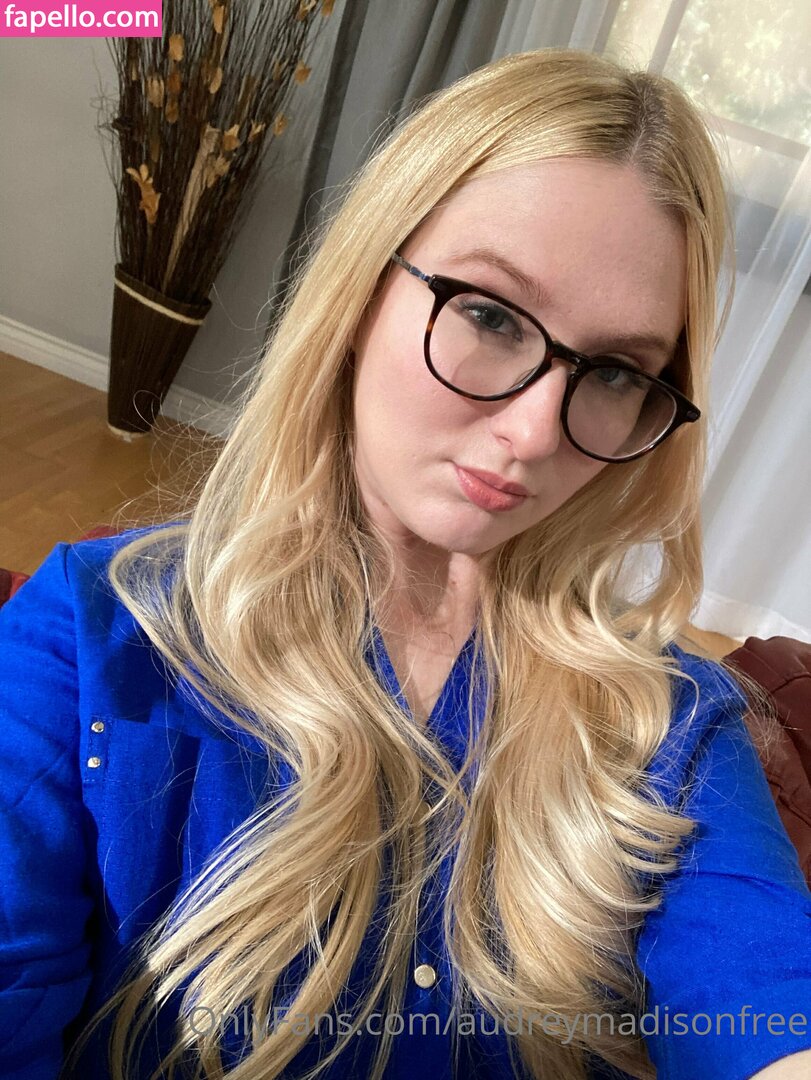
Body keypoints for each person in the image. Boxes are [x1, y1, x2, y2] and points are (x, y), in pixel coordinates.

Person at [0, 47, 809, 1080]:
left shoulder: (666, 725)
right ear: (361, 289)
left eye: (614, 372)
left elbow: (764, 1005)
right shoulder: (93, 640)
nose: (532, 432)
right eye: (490, 315)